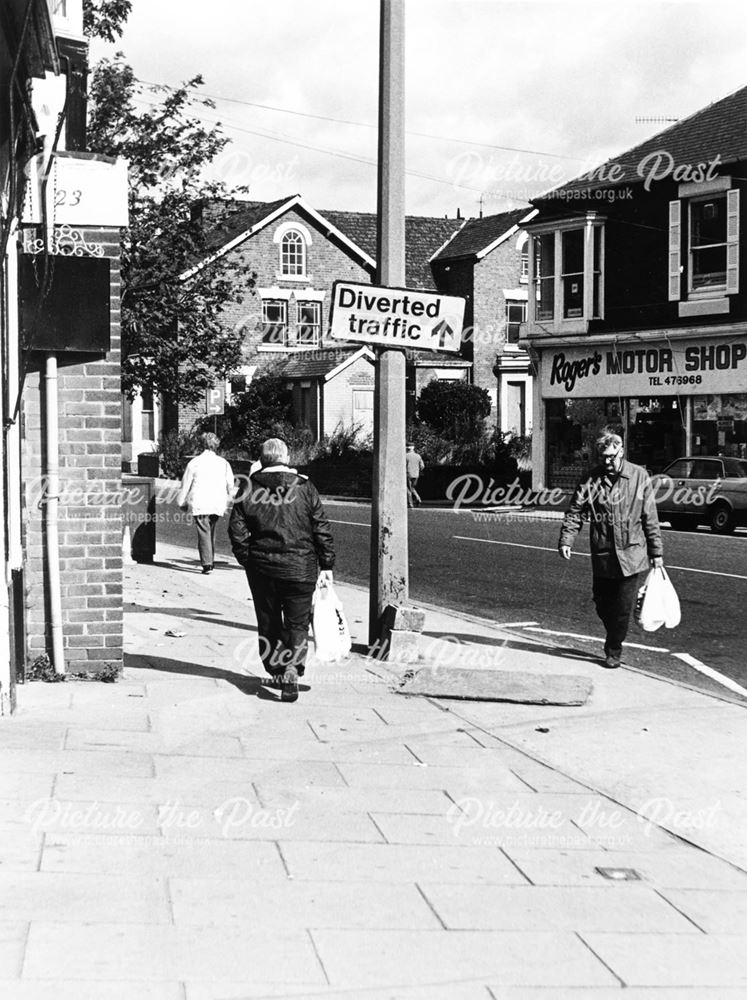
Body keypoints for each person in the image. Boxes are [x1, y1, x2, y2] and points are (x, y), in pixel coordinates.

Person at [228, 437, 335, 702]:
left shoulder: (248, 488)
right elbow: (321, 527)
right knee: (298, 623)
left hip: (263, 569)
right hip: (301, 568)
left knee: (269, 621)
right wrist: (327, 563)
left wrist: (249, 561)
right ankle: (293, 668)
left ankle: (276, 667)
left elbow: (237, 532)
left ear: (262, 459)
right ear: (286, 458)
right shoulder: (306, 487)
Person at [558, 429, 664, 669]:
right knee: (602, 602)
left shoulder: (639, 476)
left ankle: (613, 650)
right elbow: (575, 511)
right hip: (604, 554)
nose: (607, 462)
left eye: (611, 456)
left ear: (621, 451)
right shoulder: (591, 479)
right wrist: (567, 539)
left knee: (623, 608)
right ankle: (614, 634)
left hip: (632, 554)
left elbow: (650, 518)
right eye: (602, 457)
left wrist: (656, 553)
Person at [177, 432, 235, 574]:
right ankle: (210, 560)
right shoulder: (224, 463)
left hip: (200, 502)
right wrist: (229, 498)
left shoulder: (194, 463)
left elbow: (185, 484)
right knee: (212, 531)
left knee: (204, 532)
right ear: (216, 445)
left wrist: (181, 502)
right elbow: (231, 484)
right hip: (217, 502)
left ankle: (207, 563)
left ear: (201, 444)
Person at [406, 443, 424, 508]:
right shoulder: (418, 456)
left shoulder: (405, 456)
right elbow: (422, 466)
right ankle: (418, 498)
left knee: (408, 489)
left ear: (407, 448)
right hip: (416, 475)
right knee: (412, 488)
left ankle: (410, 504)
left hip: (408, 474)